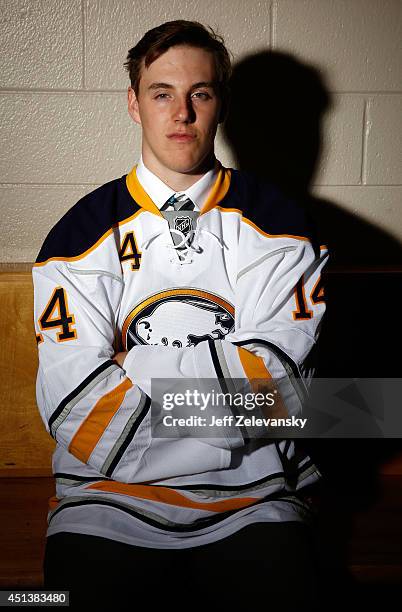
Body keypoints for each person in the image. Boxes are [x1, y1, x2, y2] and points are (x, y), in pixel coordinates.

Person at [33, 19, 328, 610]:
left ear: (222, 106)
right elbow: (78, 413)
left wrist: (135, 367)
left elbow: (278, 394)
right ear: (134, 104)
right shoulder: (79, 234)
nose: (182, 113)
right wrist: (225, 391)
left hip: (255, 500)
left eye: (201, 93)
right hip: (104, 503)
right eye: (161, 92)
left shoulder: (283, 229)